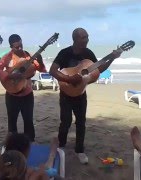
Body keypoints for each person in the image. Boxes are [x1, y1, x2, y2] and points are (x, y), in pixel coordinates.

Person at [49, 28, 121, 164]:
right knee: (65, 121)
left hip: (81, 93)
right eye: (83, 37)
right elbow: (52, 70)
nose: (87, 40)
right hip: (65, 93)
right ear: (75, 39)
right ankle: (61, 145)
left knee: (81, 123)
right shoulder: (64, 53)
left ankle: (79, 150)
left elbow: (98, 69)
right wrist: (69, 79)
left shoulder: (88, 54)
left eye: (87, 37)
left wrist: (112, 58)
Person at [0, 34, 47, 142]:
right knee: (12, 121)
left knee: (28, 121)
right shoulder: (7, 57)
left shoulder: (29, 56)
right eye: (16, 47)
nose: (20, 48)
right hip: (12, 95)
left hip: (27, 94)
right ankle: (13, 144)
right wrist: (9, 76)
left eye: (21, 45)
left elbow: (42, 70)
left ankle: (30, 143)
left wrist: (40, 61)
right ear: (11, 47)